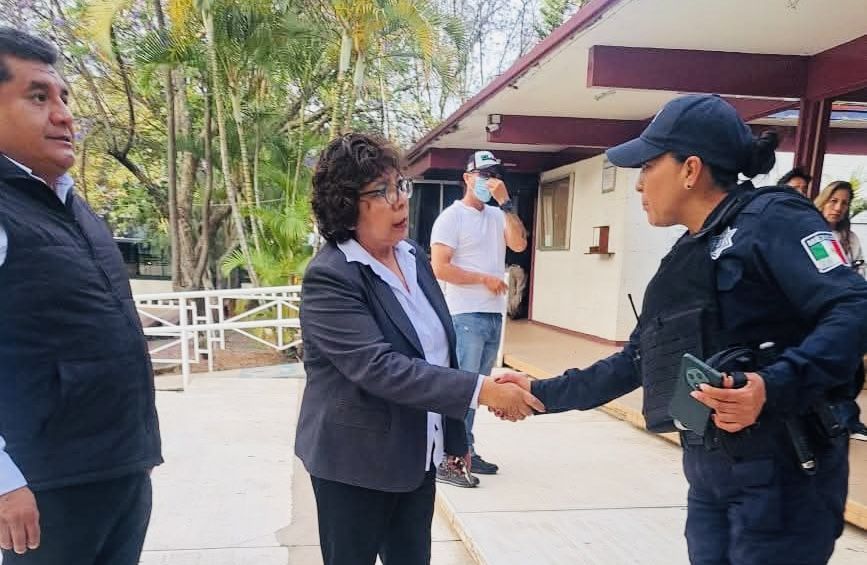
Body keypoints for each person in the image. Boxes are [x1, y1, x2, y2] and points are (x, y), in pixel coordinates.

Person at [498, 95, 867, 564]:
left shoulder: (775, 220)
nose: (638, 185)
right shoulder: (686, 256)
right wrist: (540, 392)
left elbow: (854, 307)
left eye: (649, 166)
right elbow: (640, 358)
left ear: (691, 169)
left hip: (783, 479)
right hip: (712, 473)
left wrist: (771, 388)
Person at [295, 133, 543, 565]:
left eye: (400, 186)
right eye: (381, 191)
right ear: (346, 203)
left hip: (417, 457)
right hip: (354, 465)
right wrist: (481, 390)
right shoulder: (332, 277)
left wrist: (454, 434)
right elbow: (382, 368)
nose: (399, 201)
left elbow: (437, 352)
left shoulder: (411, 254)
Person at [0, 28, 162, 564]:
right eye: (39, 97)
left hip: (119, 469)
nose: (65, 114)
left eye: (64, 97)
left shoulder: (74, 207)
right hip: (44, 489)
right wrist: (4, 482)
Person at [429, 150, 528, 483]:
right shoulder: (451, 217)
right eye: (483, 175)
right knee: (463, 388)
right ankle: (448, 456)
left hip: (493, 315)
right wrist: (482, 279)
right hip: (465, 313)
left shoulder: (498, 216)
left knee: (476, 389)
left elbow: (519, 244)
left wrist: (507, 205)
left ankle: (465, 448)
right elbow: (439, 267)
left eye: (494, 175)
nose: (489, 181)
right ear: (467, 178)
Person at [814, 180, 867, 441]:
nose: (838, 208)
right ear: (823, 200)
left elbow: (859, 274)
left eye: (844, 203)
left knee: (851, 369)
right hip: (815, 311)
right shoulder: (809, 231)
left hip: (845, 311)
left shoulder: (850, 239)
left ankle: (848, 421)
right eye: (833, 201)